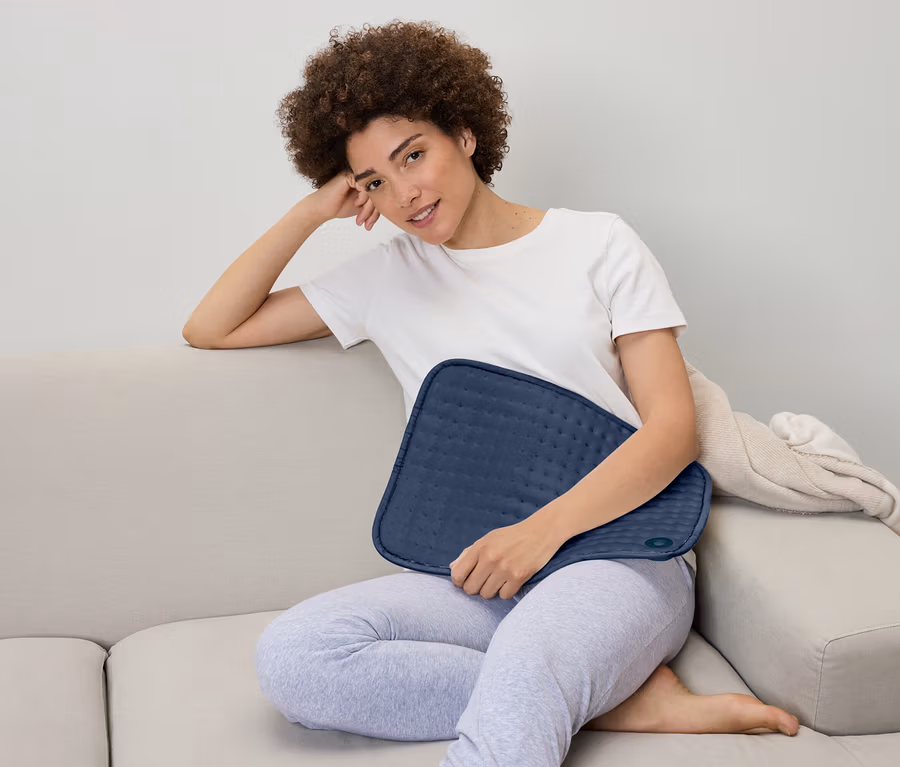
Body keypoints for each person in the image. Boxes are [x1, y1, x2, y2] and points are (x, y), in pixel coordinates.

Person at [185, 19, 800, 767]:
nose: (404, 192)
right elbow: (211, 327)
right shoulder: (386, 277)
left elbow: (673, 430)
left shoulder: (598, 243)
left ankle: (564, 685)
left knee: (532, 659)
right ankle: (618, 701)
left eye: (414, 154)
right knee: (296, 655)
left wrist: (540, 533)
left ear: (466, 133)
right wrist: (312, 211)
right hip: (483, 571)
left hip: (621, 553)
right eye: (374, 181)